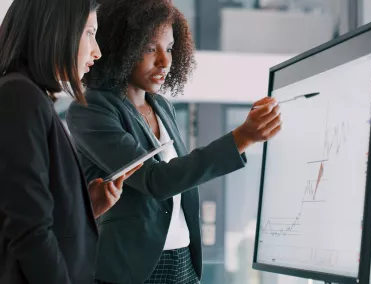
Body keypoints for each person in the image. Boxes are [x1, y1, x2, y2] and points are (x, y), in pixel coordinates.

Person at [65, 0, 282, 283]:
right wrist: (240, 138)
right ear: (120, 48)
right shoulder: (90, 109)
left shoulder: (162, 106)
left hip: (184, 262)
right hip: (131, 269)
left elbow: (180, 179)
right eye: (150, 48)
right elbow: (155, 180)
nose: (165, 61)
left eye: (169, 48)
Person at [0, 0, 140, 283]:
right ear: (55, 31)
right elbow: (30, 229)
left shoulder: (30, 97)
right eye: (89, 32)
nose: (97, 51)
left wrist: (83, 206)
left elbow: (31, 207)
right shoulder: (20, 97)